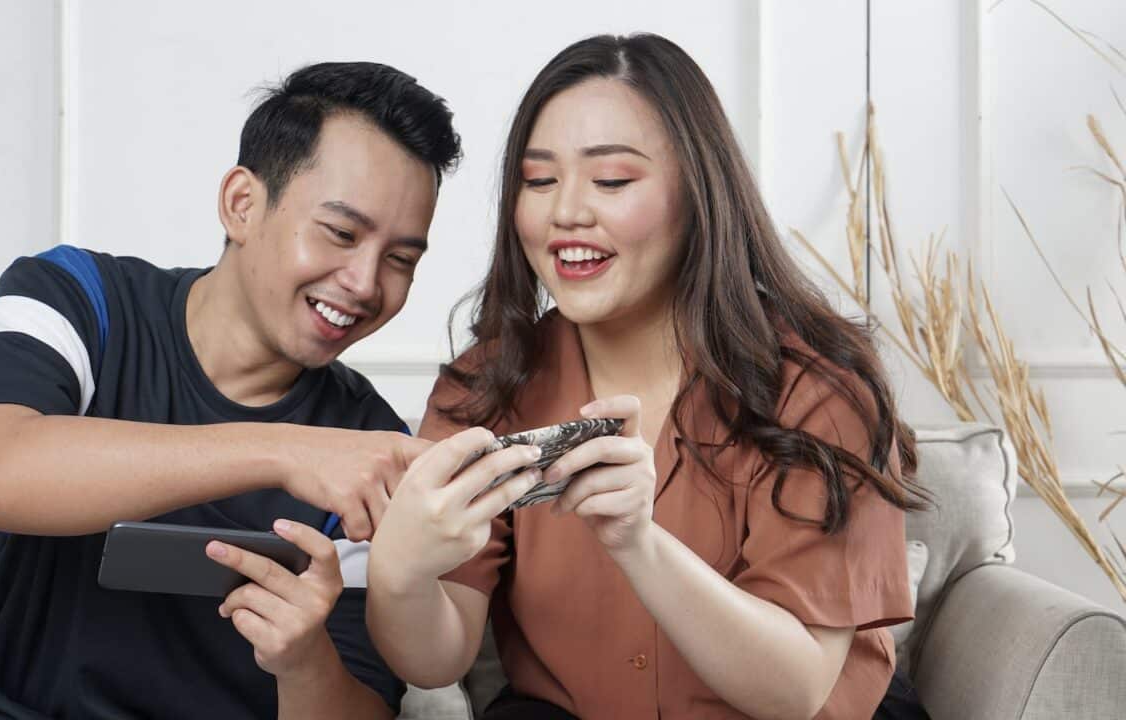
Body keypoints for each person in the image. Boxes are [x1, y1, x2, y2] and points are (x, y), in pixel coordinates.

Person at [366, 34, 930, 720]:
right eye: (538, 180)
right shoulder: (487, 384)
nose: (565, 212)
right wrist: (400, 573)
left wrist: (639, 543)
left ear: (698, 193)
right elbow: (438, 655)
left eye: (612, 181)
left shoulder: (818, 391)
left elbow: (798, 691)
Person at [0, 61, 460, 719]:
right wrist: (285, 453)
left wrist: (304, 663)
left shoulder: (368, 449)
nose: (365, 282)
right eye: (340, 232)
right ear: (242, 204)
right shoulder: (79, 299)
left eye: (400, 260)